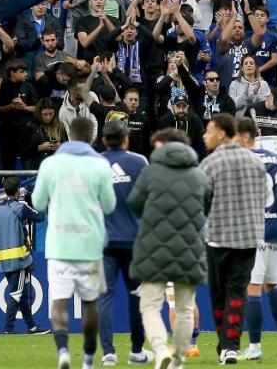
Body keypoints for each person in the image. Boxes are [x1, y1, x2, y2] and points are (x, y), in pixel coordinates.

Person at [33, 115, 117, 369]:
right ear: (92, 136)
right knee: (90, 303)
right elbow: (110, 205)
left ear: (69, 134)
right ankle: (89, 358)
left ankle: (63, 353)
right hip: (90, 245)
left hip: (59, 244)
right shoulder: (101, 165)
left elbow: (37, 203)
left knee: (59, 301)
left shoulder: (51, 164)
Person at [127, 127, 208, 369]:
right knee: (184, 308)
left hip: (153, 249)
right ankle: (178, 360)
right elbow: (207, 206)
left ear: (162, 144)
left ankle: (161, 349)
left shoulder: (150, 173)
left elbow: (134, 203)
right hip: (190, 248)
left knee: (150, 305)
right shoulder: (199, 174)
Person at [199, 113, 267, 364]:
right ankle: (230, 347)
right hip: (248, 238)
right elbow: (264, 197)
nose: (204, 137)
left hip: (218, 237)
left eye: (208, 132)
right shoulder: (256, 161)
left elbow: (202, 202)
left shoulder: (209, 163)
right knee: (237, 292)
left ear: (221, 133)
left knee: (218, 294)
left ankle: (226, 345)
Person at [236, 116, 277, 361]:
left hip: (254, 229)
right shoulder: (275, 159)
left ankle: (254, 347)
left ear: (243, 136)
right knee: (272, 285)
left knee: (252, 287)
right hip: (275, 229)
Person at [98, 119, 150, 365]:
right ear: (126, 138)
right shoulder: (139, 162)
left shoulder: (94, 164)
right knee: (136, 295)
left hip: (104, 242)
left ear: (104, 140)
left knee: (105, 297)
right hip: (134, 240)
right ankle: (137, 351)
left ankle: (108, 353)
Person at [0, 175, 49, 335]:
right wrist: (35, 199)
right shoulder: (19, 208)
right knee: (16, 293)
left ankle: (31, 326)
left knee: (21, 293)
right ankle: (8, 329)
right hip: (18, 259)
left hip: (2, 259)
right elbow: (40, 216)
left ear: (4, 190)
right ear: (18, 192)